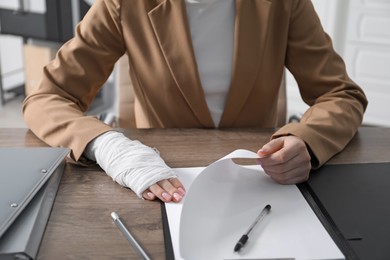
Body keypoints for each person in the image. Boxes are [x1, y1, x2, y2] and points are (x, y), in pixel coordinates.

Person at [22, 0, 367, 203]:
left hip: (259, 181)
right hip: (157, 177)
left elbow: (341, 94)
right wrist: (111, 147)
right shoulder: (124, 4)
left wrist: (307, 139)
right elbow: (47, 97)